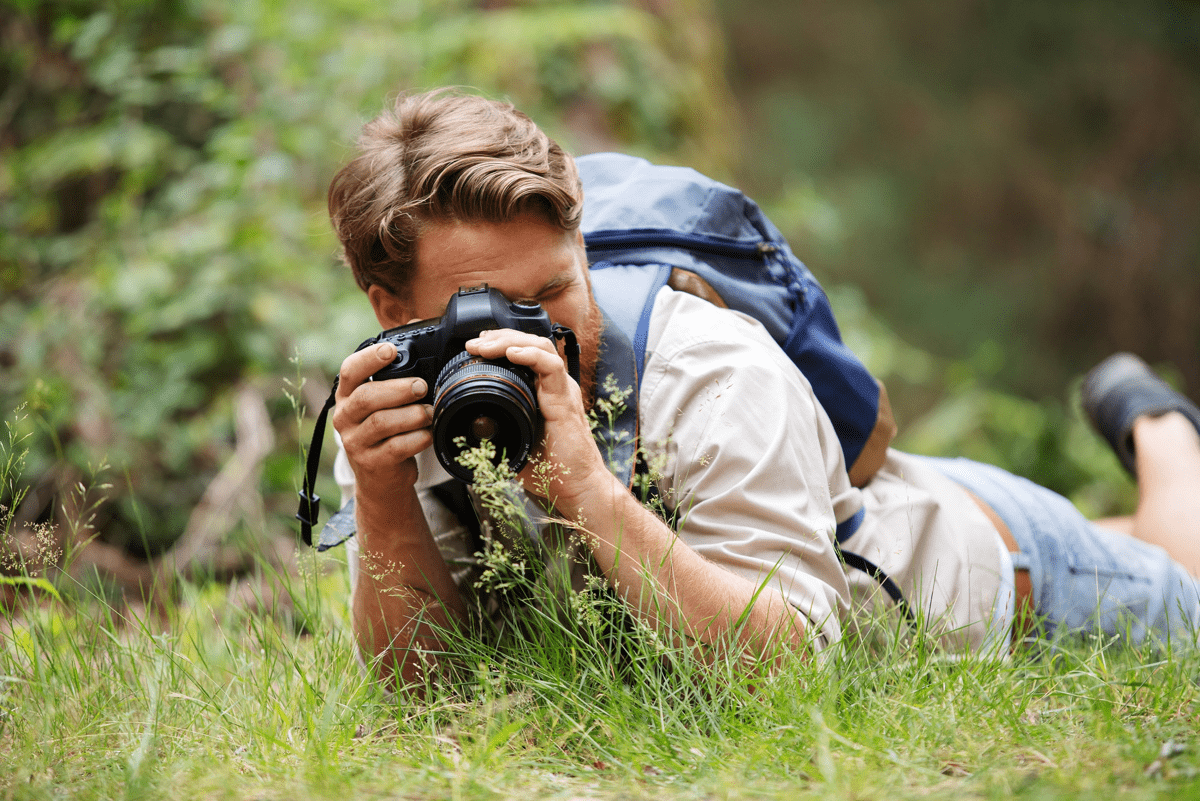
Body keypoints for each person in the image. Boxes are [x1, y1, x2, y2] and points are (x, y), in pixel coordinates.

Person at [324, 88, 1200, 689]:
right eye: (486, 310)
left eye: (553, 290)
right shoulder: (396, 401)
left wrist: (587, 489)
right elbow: (421, 685)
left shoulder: (713, 373)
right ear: (394, 312)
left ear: (580, 247)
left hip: (1006, 577)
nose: (533, 337)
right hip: (853, 506)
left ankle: (1159, 429)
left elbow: (788, 675)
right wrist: (383, 496)